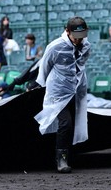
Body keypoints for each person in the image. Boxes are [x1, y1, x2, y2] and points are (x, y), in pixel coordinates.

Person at [35, 17, 92, 173]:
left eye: (82, 37)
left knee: (76, 124)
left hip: (76, 90)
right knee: (65, 123)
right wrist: (40, 83)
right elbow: (45, 66)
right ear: (67, 31)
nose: (79, 41)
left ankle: (72, 155)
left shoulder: (86, 45)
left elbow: (81, 64)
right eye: (76, 37)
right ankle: (61, 160)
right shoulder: (55, 47)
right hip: (58, 92)